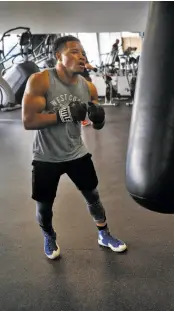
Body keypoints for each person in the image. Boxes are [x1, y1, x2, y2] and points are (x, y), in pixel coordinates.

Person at [22, 35, 127, 260]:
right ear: (58, 56)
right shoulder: (40, 81)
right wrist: (63, 114)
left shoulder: (88, 87)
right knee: (44, 206)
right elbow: (28, 121)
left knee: (93, 196)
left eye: (83, 52)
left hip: (77, 152)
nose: (81, 56)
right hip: (46, 156)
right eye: (74, 51)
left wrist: (99, 120)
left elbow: (96, 126)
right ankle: (49, 236)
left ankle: (104, 234)